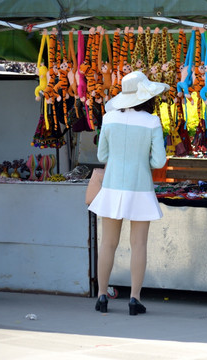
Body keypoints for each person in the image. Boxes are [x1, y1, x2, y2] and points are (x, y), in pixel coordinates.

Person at [88, 71, 169, 315]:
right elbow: (158, 161)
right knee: (139, 244)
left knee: (108, 244)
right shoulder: (152, 121)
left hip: (112, 187)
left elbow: (102, 156)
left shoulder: (109, 118)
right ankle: (134, 298)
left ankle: (102, 296)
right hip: (140, 189)